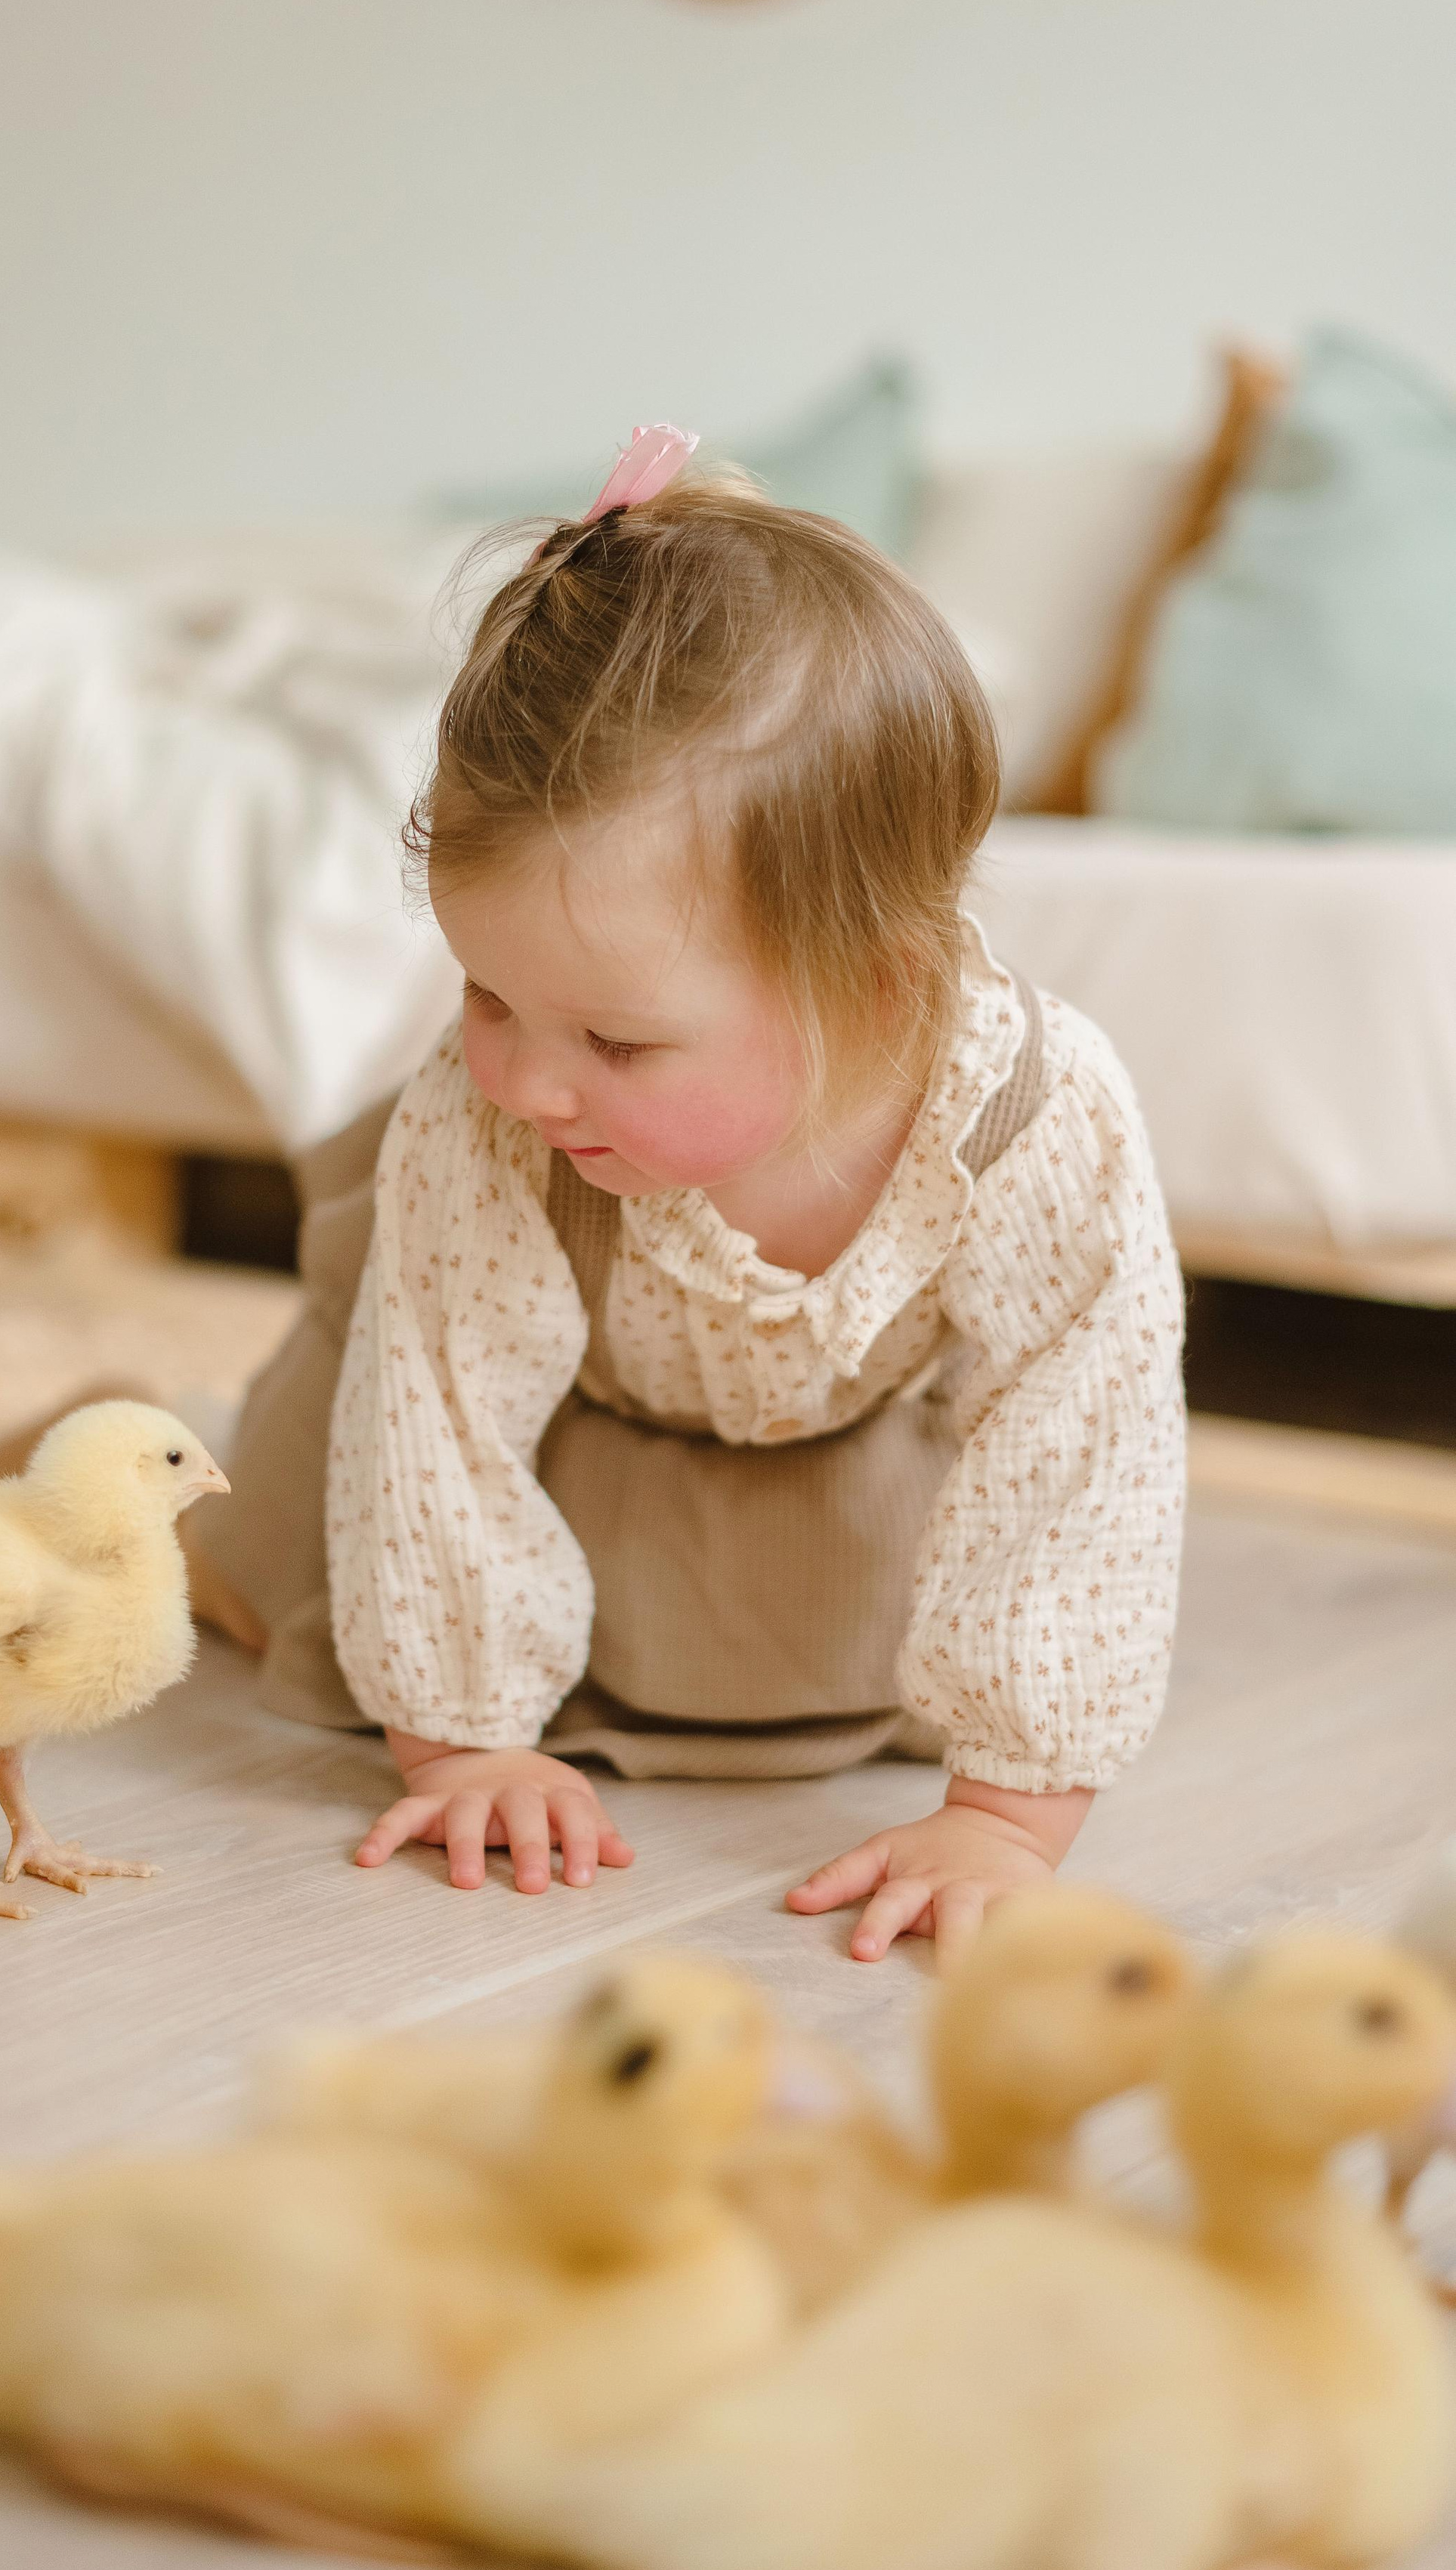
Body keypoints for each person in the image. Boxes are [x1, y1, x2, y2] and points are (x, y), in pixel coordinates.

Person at [190, 427, 1185, 1962]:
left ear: (872, 990)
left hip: (832, 1464)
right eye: (486, 992)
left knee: (863, 1677)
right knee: (273, 1567)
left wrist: (1002, 1817)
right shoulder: (486, 1125)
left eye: (616, 1039)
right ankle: (176, 1507)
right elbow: (438, 1410)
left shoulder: (1031, 1119)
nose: (525, 1076)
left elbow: (1083, 1450)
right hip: (560, 1422)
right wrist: (461, 1745)